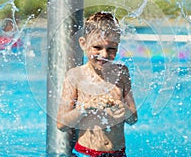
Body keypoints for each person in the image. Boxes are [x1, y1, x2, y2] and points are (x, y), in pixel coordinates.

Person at [57, 12, 138, 157]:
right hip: (86, 153)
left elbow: (133, 119)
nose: (104, 54)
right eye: (97, 47)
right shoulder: (75, 76)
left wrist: (124, 110)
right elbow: (61, 124)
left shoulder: (122, 73)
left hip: (118, 153)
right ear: (83, 43)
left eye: (111, 48)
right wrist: (85, 107)